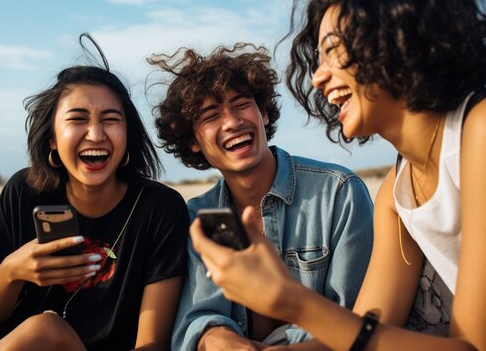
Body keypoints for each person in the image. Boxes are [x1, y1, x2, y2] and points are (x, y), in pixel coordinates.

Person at [188, 0, 486, 351]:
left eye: (332, 52)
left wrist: (290, 299)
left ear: (398, 38)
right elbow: (368, 331)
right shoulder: (396, 189)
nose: (317, 78)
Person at [0, 33, 189, 351]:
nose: (95, 134)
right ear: (52, 139)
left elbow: (151, 344)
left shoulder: (160, 208)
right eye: (78, 119)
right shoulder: (26, 190)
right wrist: (12, 270)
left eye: (111, 120)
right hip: (0, 342)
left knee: (45, 329)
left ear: (128, 136)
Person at [149, 42, 374, 350]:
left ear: (264, 113)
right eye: (211, 115)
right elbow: (198, 320)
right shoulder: (200, 217)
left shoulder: (338, 193)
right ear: (193, 142)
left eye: (241, 104)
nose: (231, 122)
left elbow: (358, 324)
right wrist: (219, 338)